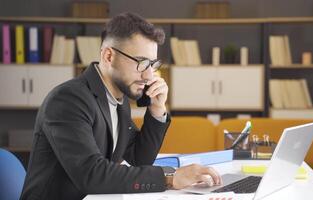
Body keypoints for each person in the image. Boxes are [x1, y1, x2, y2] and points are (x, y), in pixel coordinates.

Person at [20, 12, 221, 200]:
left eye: (153, 64)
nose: (149, 75)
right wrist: (169, 178)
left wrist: (157, 110)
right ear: (109, 56)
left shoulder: (118, 99)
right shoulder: (68, 100)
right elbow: (92, 174)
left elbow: (139, 159)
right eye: (141, 62)